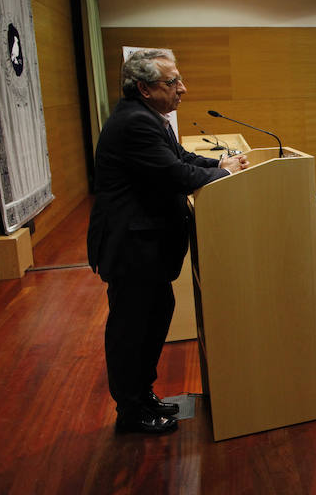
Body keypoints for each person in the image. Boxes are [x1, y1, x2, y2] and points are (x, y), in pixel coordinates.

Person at [88, 49, 248, 435]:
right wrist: (223, 174)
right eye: (172, 82)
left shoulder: (149, 118)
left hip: (146, 249)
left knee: (153, 319)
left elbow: (181, 156)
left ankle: (142, 395)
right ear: (143, 88)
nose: (183, 89)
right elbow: (176, 174)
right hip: (131, 248)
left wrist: (222, 164)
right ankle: (130, 410)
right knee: (132, 329)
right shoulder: (134, 124)